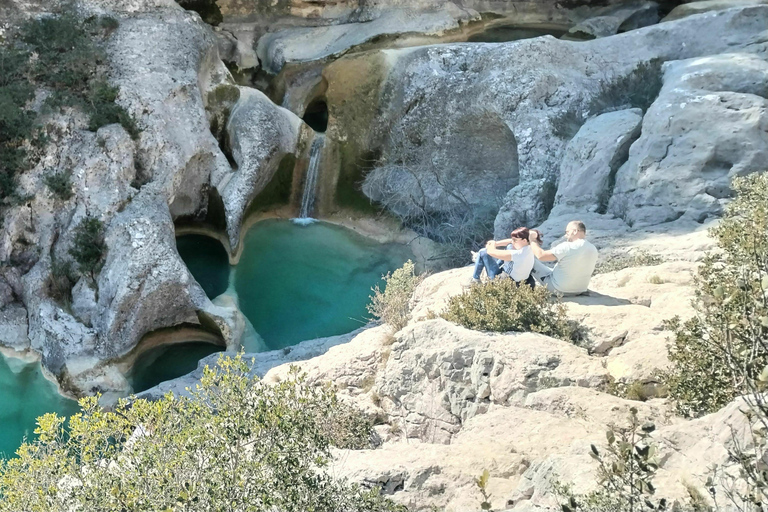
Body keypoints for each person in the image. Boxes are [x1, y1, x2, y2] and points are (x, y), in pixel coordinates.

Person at [528, 220, 598, 296]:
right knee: (551, 269)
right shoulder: (593, 248)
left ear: (574, 231)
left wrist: (532, 240)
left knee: (530, 260)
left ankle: (522, 288)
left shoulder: (568, 246)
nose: (565, 235)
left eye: (567, 232)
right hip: (580, 289)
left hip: (558, 289)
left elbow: (541, 256)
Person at [469, 227, 535, 286]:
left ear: (524, 241)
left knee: (483, 252)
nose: (513, 242)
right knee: (510, 246)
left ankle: (475, 280)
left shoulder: (518, 254)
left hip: (505, 281)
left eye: (515, 240)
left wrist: (491, 244)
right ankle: (496, 266)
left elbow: (490, 251)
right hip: (520, 279)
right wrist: (496, 243)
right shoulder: (530, 247)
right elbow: (510, 241)